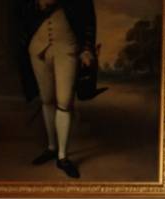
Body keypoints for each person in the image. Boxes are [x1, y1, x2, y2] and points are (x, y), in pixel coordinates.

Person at [19, 0, 103, 179]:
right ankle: (51, 147)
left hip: (68, 47)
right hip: (37, 47)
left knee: (64, 102)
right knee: (47, 99)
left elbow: (88, 16)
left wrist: (87, 48)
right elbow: (20, 11)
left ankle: (62, 156)